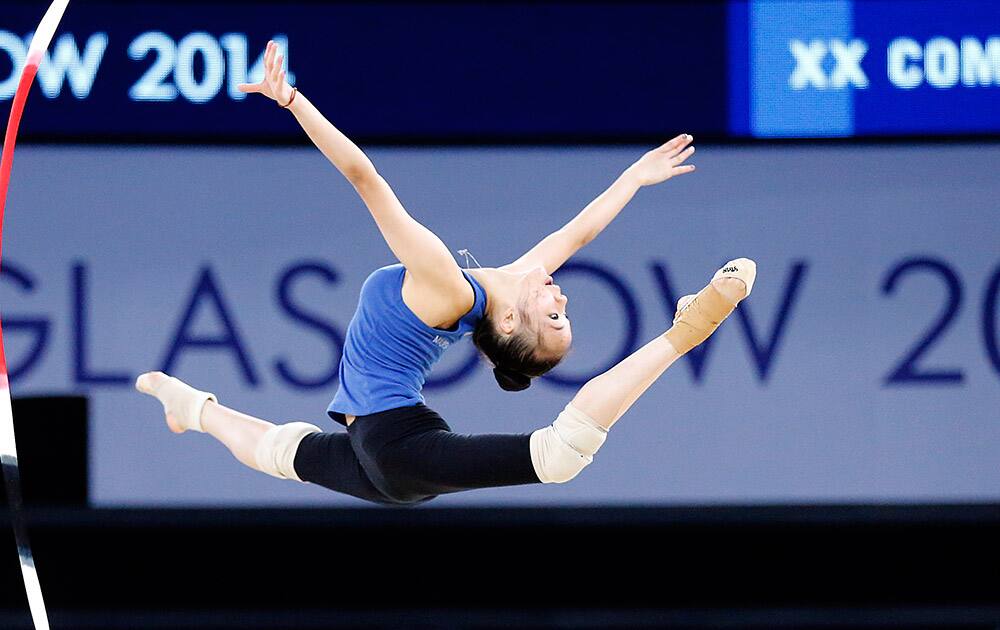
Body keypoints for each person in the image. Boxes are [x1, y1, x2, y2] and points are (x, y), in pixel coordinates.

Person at [136, 41, 757, 506]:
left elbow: (366, 179)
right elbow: (580, 232)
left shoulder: (443, 284)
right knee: (277, 451)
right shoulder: (505, 289)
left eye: (556, 316)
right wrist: (634, 178)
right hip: (379, 456)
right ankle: (191, 408)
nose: (560, 291)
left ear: (511, 320)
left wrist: (293, 101)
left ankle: (686, 333)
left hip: (397, 444)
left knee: (561, 456)